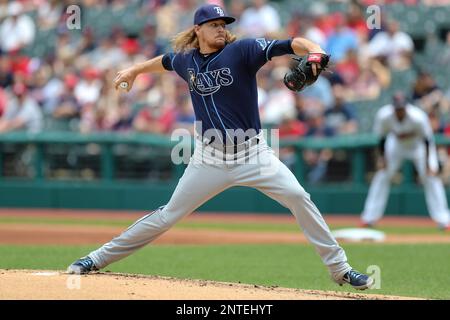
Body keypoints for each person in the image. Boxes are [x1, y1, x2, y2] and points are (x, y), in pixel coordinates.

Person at [67, 4, 373, 290]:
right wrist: (134, 71)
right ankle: (96, 258)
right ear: (198, 29)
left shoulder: (243, 50)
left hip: (253, 154)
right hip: (209, 158)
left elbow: (292, 43)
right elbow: (164, 61)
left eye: (223, 24)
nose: (220, 29)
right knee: (167, 215)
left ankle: (340, 268)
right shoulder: (186, 60)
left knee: (298, 196)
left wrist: (316, 50)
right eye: (213, 24)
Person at [360, 92, 450, 230]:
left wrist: (428, 165)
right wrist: (382, 159)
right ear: (393, 107)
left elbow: (426, 140)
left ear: (407, 107)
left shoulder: (418, 117)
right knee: (382, 176)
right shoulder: (384, 115)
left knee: (431, 178)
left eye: (401, 107)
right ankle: (368, 218)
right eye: (397, 108)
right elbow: (382, 138)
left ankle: (444, 220)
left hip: (419, 146)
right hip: (396, 145)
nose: (399, 110)